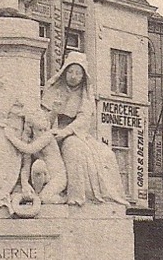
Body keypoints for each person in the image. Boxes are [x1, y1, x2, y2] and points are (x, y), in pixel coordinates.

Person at [40, 52, 128, 206]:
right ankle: (71, 195)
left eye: (78, 73)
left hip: (75, 133)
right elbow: (44, 119)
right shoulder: (53, 88)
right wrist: (54, 112)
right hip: (52, 132)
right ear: (65, 72)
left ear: (83, 76)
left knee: (102, 153)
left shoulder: (85, 95)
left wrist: (65, 132)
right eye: (71, 72)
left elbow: (83, 120)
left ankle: (90, 196)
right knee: (72, 148)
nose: (74, 76)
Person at [2, 107, 68, 204]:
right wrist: (25, 184)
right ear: (32, 129)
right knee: (38, 165)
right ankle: (37, 194)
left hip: (58, 177)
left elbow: (30, 149)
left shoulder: (47, 136)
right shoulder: (30, 141)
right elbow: (26, 166)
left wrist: (11, 137)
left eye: (44, 129)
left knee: (45, 198)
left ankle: (64, 199)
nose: (43, 132)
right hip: (44, 176)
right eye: (39, 130)